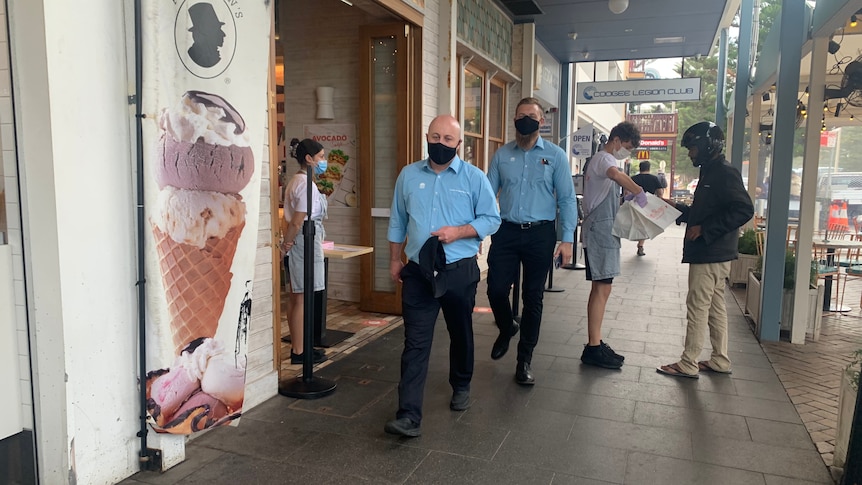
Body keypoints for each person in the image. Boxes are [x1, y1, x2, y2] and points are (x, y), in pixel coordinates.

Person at [384, 115, 501, 437]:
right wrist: (395, 260)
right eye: (435, 136)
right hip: (418, 272)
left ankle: (461, 383)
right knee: (415, 342)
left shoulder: (474, 178)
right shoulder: (408, 175)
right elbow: (397, 221)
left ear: (459, 144)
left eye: (448, 139)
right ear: (427, 137)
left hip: (458, 271)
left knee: (460, 331)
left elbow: (492, 218)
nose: (440, 143)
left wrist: (461, 231)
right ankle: (408, 415)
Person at [485, 97, 577, 385]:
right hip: (507, 231)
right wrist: (475, 231)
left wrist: (567, 239)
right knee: (495, 288)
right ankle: (506, 326)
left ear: (541, 122)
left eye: (532, 115)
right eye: (521, 115)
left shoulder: (556, 155)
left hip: (540, 233)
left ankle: (524, 360)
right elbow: (487, 196)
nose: (526, 119)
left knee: (533, 297)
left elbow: (566, 198)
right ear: (514, 120)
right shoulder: (501, 156)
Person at [657, 121, 754, 379]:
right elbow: (704, 213)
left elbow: (743, 209)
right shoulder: (711, 172)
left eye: (693, 148)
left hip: (711, 252)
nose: (690, 153)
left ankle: (688, 362)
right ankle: (720, 359)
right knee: (714, 306)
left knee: (697, 306)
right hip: (714, 252)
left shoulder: (723, 172)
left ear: (708, 145)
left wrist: (706, 229)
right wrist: (676, 208)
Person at [580, 121, 647, 369]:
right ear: (616, 140)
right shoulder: (604, 159)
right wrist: (638, 191)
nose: (625, 152)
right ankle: (593, 347)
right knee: (602, 287)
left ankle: (594, 342)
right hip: (600, 228)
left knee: (602, 287)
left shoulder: (602, 159)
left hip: (603, 228)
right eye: (627, 147)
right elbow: (615, 175)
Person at [281, 138, 329, 365]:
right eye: (320, 157)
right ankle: (300, 351)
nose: (323, 162)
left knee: (296, 296)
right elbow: (297, 221)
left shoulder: (298, 181)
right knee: (300, 297)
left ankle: (300, 347)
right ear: (309, 159)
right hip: (302, 242)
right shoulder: (304, 184)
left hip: (304, 240)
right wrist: (287, 244)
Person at [628, 160, 665, 256]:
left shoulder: (633, 178)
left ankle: (637, 240)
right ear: (649, 168)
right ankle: (640, 245)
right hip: (648, 205)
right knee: (644, 225)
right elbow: (660, 193)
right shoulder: (654, 178)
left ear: (640, 168)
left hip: (635, 204)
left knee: (636, 223)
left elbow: (626, 192)